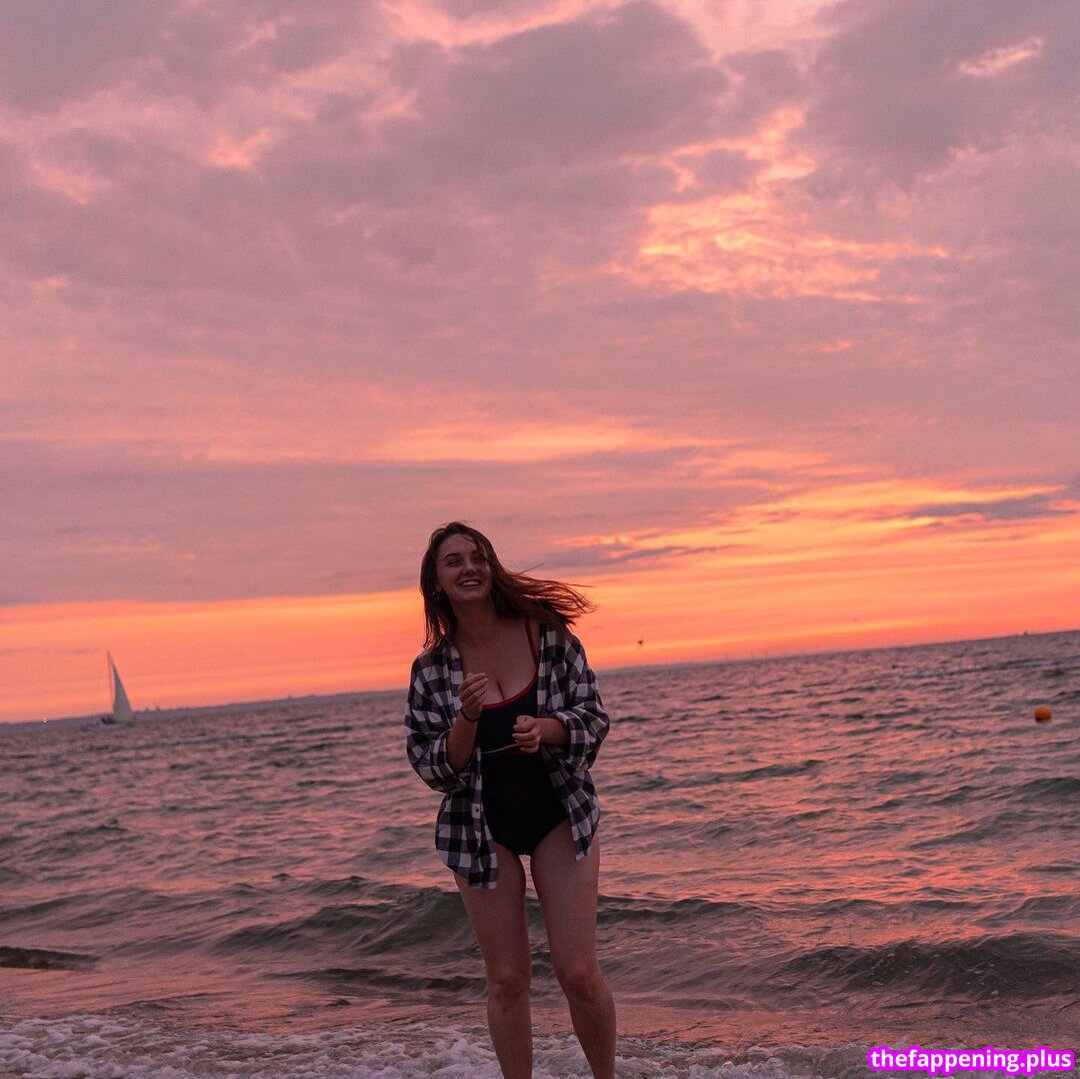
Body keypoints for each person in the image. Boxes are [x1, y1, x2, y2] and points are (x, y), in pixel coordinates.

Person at [404, 521, 616, 1079]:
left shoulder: (545, 636)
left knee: (578, 971)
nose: (468, 568)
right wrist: (467, 718)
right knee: (506, 980)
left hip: (558, 812)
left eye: (477, 557)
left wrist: (547, 729)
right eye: (453, 561)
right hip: (477, 829)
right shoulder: (430, 670)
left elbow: (594, 718)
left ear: (492, 566)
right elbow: (431, 766)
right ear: (436, 582)